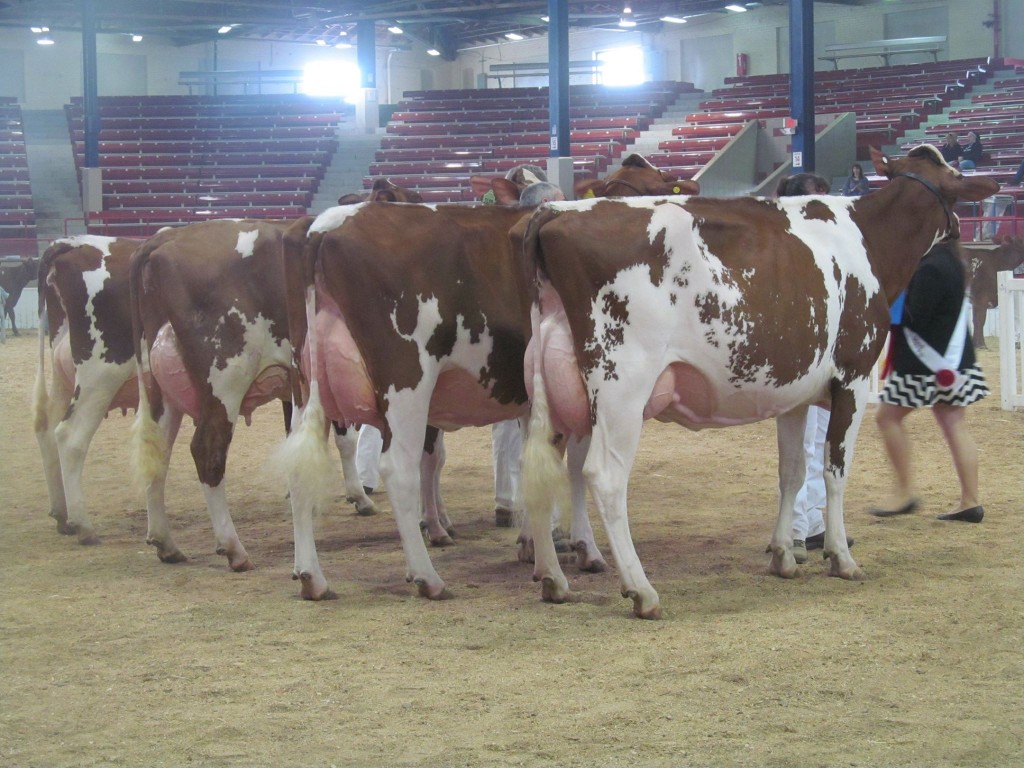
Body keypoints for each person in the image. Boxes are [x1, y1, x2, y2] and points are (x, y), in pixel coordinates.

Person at [871, 241, 989, 523]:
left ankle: (904, 491)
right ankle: (970, 500)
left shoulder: (930, 267)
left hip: (923, 364)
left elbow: (914, 315)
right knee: (955, 423)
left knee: (887, 418)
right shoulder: (951, 262)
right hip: (955, 359)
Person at [772, 171, 853, 563]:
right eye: (818, 196)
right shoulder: (793, 248)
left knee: (822, 439)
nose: (827, 201)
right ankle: (798, 529)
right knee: (803, 444)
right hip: (800, 356)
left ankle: (816, 524)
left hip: (827, 357)